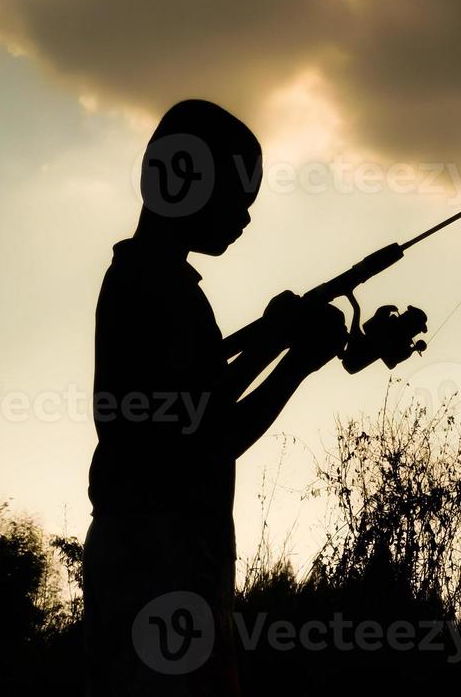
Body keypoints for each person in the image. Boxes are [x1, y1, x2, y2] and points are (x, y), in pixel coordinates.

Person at [82, 99, 348, 695]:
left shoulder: (144, 280)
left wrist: (273, 341)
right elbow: (209, 437)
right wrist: (296, 361)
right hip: (165, 561)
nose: (244, 220)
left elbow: (196, 405)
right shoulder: (157, 288)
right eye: (237, 199)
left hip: (141, 555)